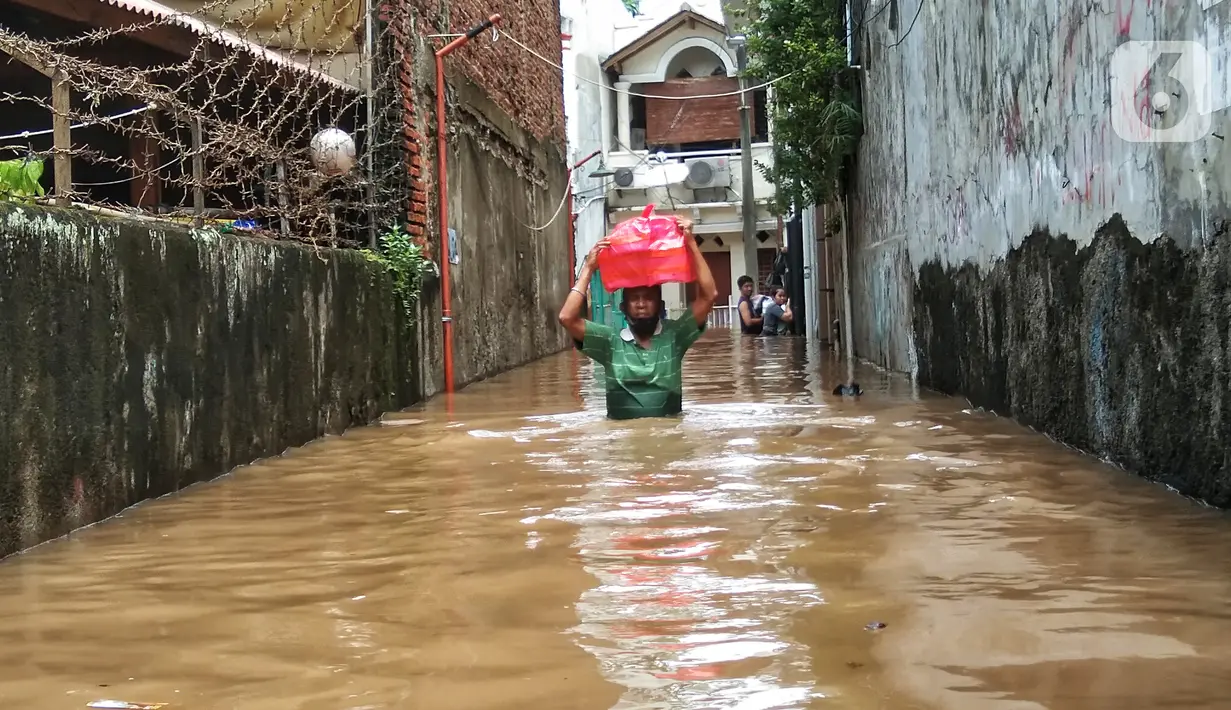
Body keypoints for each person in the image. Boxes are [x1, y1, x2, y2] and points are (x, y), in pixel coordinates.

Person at [558, 218, 718, 420]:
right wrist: (589, 268)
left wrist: (691, 243)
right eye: (634, 299)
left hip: (668, 440)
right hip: (621, 441)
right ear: (623, 307)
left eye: (648, 298)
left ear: (660, 306)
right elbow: (566, 317)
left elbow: (709, 296)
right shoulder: (609, 341)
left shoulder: (675, 336)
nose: (641, 304)